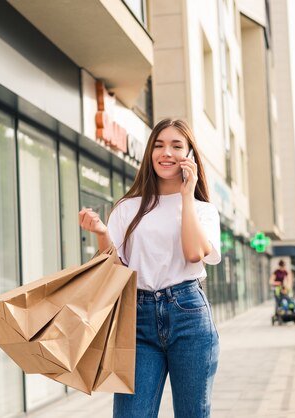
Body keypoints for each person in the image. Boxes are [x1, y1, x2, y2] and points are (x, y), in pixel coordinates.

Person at [78, 118, 221, 418]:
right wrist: (104, 233)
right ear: (149, 153)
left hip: (189, 317)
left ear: (190, 155)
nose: (166, 152)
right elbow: (115, 271)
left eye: (176, 146)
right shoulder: (128, 208)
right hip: (138, 320)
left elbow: (194, 253)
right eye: (159, 145)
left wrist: (186, 195)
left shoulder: (203, 210)